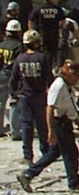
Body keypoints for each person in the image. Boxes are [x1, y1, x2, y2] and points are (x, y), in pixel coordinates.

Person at [16, 59, 79, 192]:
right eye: (75, 76)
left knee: (54, 153)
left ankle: (28, 174)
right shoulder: (58, 86)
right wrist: (51, 132)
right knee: (70, 153)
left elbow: (68, 104)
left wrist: (76, 119)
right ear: (68, 75)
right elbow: (50, 109)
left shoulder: (66, 85)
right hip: (60, 124)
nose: (77, 79)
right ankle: (74, 182)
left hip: (65, 121)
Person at [11, 30, 51, 164]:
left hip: (25, 97)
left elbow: (14, 79)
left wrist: (14, 94)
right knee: (42, 126)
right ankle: (45, 152)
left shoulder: (20, 58)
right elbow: (49, 78)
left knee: (26, 126)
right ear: (35, 44)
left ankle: (27, 155)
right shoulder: (42, 58)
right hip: (39, 96)